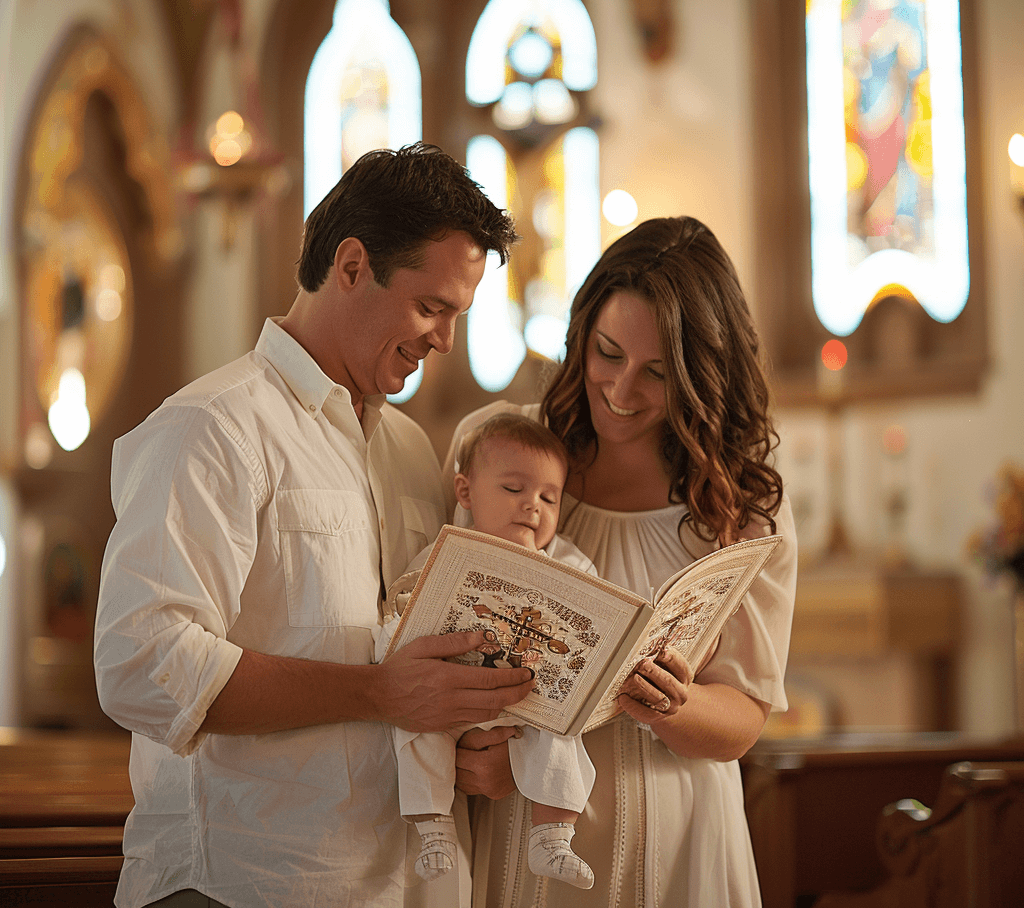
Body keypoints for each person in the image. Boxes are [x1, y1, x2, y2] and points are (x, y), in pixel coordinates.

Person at [92, 143, 537, 908]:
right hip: (250, 880)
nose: (444, 341)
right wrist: (379, 694)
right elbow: (140, 661)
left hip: (408, 884)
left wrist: (485, 746)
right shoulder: (212, 429)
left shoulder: (405, 449)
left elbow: (416, 653)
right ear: (353, 264)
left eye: (457, 316)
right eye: (432, 307)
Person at [446, 216, 798, 908]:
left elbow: (745, 716)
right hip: (530, 827)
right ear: (580, 335)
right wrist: (467, 755)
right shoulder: (502, 454)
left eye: (658, 373)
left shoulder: (745, 502)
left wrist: (674, 703)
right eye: (608, 354)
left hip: (683, 833)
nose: (622, 391)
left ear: (705, 376)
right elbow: (443, 636)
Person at [375, 415, 598, 891]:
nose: (532, 507)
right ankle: (433, 825)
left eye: (548, 498)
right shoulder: (447, 552)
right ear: (466, 491)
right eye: (514, 489)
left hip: (527, 702)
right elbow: (405, 605)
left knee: (561, 735)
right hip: (453, 692)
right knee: (417, 728)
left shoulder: (567, 559)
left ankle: (553, 833)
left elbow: (591, 611)